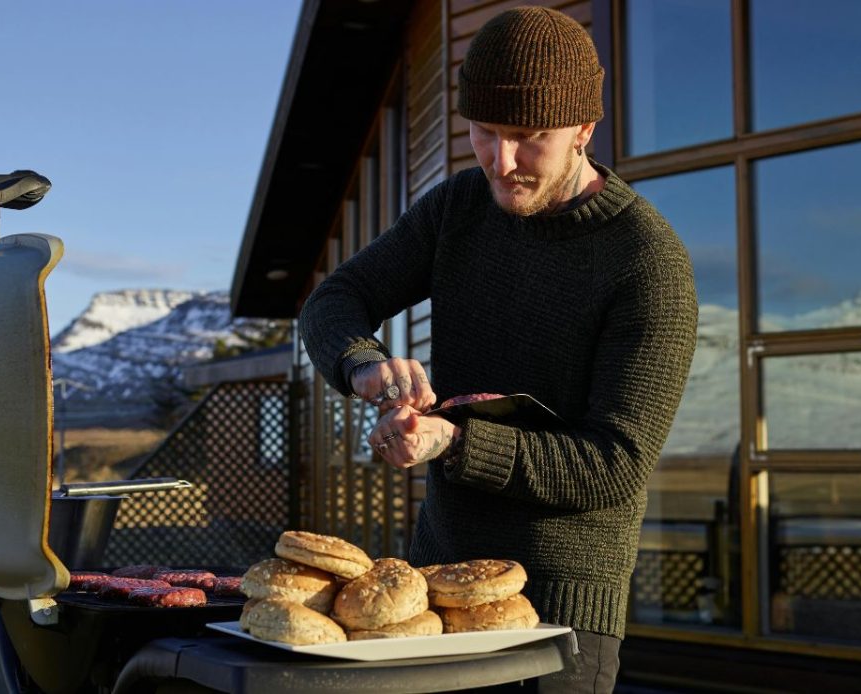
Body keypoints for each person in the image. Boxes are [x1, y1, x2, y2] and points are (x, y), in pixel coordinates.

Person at [298, 6, 697, 693]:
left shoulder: (646, 262)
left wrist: (453, 443)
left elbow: (614, 466)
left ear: (583, 130)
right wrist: (364, 366)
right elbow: (335, 299)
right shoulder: (459, 208)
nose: (500, 161)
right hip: (431, 590)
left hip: (560, 616)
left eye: (527, 137)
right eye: (484, 132)